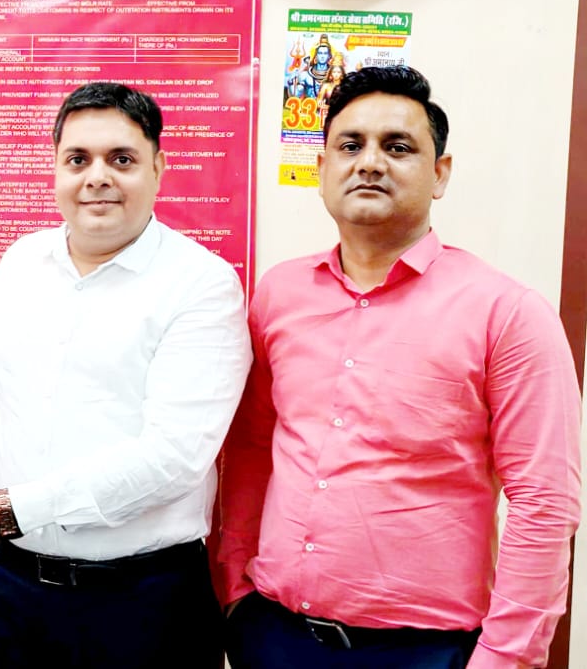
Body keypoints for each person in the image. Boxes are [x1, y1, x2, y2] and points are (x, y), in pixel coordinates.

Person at [0, 81, 252, 669]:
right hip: (7, 586)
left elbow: (173, 459)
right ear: (57, 169)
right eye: (78, 159)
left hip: (139, 602)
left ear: (159, 169)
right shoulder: (23, 261)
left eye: (121, 159)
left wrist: (6, 509)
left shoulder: (202, 285)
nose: (97, 177)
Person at [216, 65, 581, 669]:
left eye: (398, 147)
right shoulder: (279, 295)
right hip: (273, 635)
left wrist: (506, 658)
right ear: (322, 169)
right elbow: (253, 450)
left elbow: (543, 502)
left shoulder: (507, 313)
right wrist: (234, 589)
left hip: (428, 651)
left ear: (440, 174)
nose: (369, 163)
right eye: (350, 145)